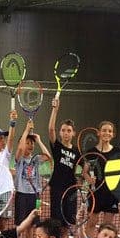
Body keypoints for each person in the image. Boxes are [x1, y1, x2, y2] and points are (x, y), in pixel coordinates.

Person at [14, 119, 51, 238]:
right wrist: (26, 129)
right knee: (21, 224)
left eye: (31, 143)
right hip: (22, 194)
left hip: (35, 195)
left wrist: (39, 140)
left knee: (31, 225)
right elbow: (20, 149)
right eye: (27, 143)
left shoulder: (35, 159)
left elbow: (48, 157)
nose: (29, 145)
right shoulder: (19, 160)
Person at [47, 98, 80, 231]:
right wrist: (55, 110)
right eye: (63, 130)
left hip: (71, 188)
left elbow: (84, 168)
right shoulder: (57, 147)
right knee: (56, 221)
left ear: (73, 133)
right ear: (60, 132)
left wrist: (88, 178)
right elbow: (50, 129)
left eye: (69, 130)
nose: (66, 133)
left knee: (68, 221)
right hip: (57, 187)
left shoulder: (77, 151)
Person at [84, 121, 120, 235]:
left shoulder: (118, 152)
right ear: (98, 133)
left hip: (111, 193)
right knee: (91, 223)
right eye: (104, 130)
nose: (107, 133)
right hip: (95, 192)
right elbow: (84, 172)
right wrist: (89, 179)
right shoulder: (91, 152)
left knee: (107, 227)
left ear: (113, 134)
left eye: (110, 131)